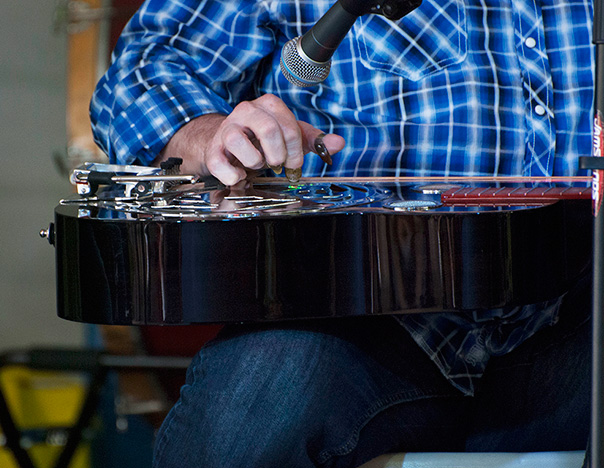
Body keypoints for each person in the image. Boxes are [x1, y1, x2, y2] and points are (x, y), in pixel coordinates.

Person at [90, 0, 593, 466]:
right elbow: (145, 68)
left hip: (576, 312)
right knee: (252, 412)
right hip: (365, 306)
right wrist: (211, 135)